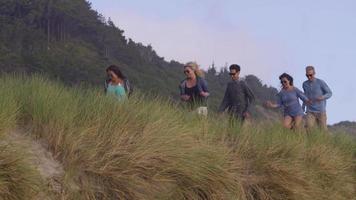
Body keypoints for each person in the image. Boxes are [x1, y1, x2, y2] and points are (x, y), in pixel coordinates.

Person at [302, 66, 332, 131]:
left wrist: (322, 97)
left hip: (321, 111)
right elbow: (305, 96)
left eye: (310, 75)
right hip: (310, 111)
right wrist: (303, 107)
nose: (309, 77)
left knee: (323, 131)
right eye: (307, 75)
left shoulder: (320, 82)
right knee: (308, 128)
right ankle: (311, 141)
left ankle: (325, 141)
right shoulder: (304, 84)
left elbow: (329, 93)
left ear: (314, 73)